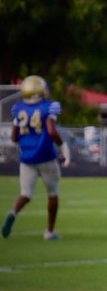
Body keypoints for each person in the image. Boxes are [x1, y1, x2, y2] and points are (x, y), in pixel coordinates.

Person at [4, 75, 70, 241]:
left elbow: (13, 137)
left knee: (25, 194)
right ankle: (49, 232)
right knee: (53, 193)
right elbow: (51, 130)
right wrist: (63, 147)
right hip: (46, 156)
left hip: (26, 157)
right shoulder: (49, 107)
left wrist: (27, 143)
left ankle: (13, 213)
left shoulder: (18, 108)